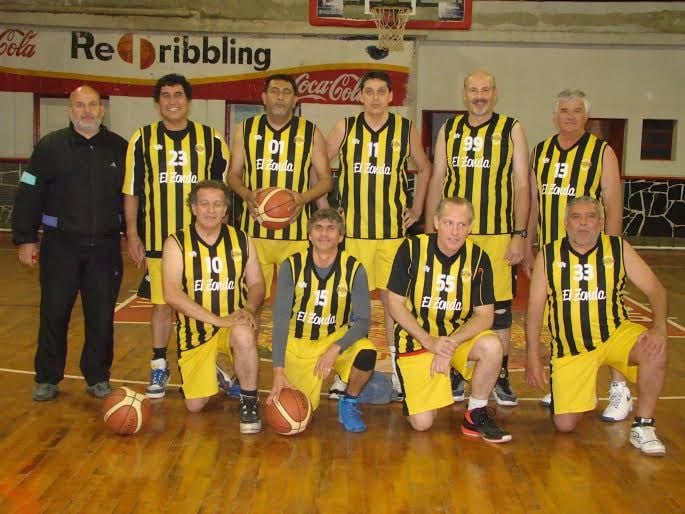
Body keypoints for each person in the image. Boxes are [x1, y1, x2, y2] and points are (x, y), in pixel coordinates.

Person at [525, 196, 667, 456]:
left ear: (601, 223)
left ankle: (643, 425)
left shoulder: (618, 248)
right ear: (566, 223)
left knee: (654, 349)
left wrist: (659, 328)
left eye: (590, 217)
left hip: (615, 335)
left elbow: (656, 289)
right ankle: (579, 390)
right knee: (564, 425)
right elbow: (534, 309)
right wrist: (532, 355)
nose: (583, 223)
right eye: (576, 217)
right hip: (571, 348)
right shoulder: (549, 254)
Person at [12, 85, 127, 401]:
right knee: (54, 313)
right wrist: (25, 238)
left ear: (102, 110)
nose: (86, 111)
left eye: (92, 105)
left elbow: (134, 199)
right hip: (60, 247)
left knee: (101, 316)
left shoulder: (120, 148)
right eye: (80, 105)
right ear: (70, 110)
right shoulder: (50, 147)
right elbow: (29, 191)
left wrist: (136, 236)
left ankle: (98, 376)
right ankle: (47, 378)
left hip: (104, 249)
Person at [424, 69, 530, 407]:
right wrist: (430, 231)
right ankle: (458, 368)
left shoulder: (511, 128)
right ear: (464, 93)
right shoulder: (449, 128)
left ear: (495, 94)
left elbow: (522, 185)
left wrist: (520, 234)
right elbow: (437, 178)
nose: (479, 96)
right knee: (455, 306)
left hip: (498, 236)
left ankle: (500, 375)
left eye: (485, 90)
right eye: (473, 90)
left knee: (499, 311)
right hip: (455, 237)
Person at [123, 73, 231, 399]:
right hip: (159, 240)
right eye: (166, 95)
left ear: (189, 101)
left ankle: (207, 363)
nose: (172, 101)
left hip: (204, 243)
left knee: (204, 306)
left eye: (178, 95)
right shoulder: (142, 139)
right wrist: (132, 232)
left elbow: (224, 194)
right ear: (157, 103)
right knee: (162, 306)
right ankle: (159, 364)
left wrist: (225, 236)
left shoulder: (210, 139)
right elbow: (132, 191)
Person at [326, 70, 432, 399]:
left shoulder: (405, 129)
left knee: (393, 305)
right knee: (350, 305)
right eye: (368, 91)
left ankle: (399, 371)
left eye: (380, 92)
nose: (374, 97)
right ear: (360, 96)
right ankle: (344, 372)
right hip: (353, 233)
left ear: (390, 96)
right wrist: (328, 209)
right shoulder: (345, 127)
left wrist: (417, 209)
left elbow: (425, 167)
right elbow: (318, 165)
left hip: (391, 235)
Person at [525, 89, 628, 419]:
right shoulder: (541, 151)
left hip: (593, 254)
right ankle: (567, 381)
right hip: (555, 255)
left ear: (587, 116)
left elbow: (613, 205)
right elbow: (534, 204)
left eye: (577, 110)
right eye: (565, 110)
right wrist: (528, 245)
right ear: (555, 115)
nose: (570, 116)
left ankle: (619, 389)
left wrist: (611, 251)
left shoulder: (602, 152)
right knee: (560, 319)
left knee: (608, 318)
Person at [386, 197, 512, 443]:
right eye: (449, 223)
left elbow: (485, 316)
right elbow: (394, 304)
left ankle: (475, 413)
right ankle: (420, 393)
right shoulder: (411, 249)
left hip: (456, 339)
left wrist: (449, 344)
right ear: (436, 222)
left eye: (462, 224)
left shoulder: (478, 258)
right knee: (422, 424)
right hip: (417, 339)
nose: (455, 231)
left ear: (470, 227)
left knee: (492, 345)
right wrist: (430, 341)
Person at [161, 180, 265, 433]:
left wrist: (249, 309)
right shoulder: (176, 242)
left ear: (225, 209)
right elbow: (172, 294)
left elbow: (257, 283)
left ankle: (249, 400)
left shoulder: (241, 239)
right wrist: (219, 320)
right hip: (195, 333)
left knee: (244, 332)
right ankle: (219, 374)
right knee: (195, 406)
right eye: (204, 204)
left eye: (217, 204)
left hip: (232, 325)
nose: (211, 210)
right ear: (194, 208)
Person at [267, 208, 377, 432]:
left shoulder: (354, 268)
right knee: (299, 411)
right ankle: (376, 385)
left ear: (340, 236)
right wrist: (278, 371)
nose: (324, 233)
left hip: (334, 339)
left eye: (331, 228)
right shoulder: (292, 265)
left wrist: (336, 347)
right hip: (298, 345)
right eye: (318, 228)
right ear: (309, 235)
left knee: (367, 352)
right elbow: (280, 320)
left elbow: (363, 321)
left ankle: (349, 401)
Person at [227, 73, 332, 298]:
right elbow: (233, 175)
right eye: (274, 92)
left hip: (296, 233)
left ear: (295, 100)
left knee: (297, 301)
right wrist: (246, 194)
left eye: (286, 92)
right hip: (254, 231)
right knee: (252, 301)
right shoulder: (245, 129)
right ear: (264, 97)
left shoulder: (311, 131)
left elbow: (326, 180)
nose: (280, 97)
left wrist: (303, 198)